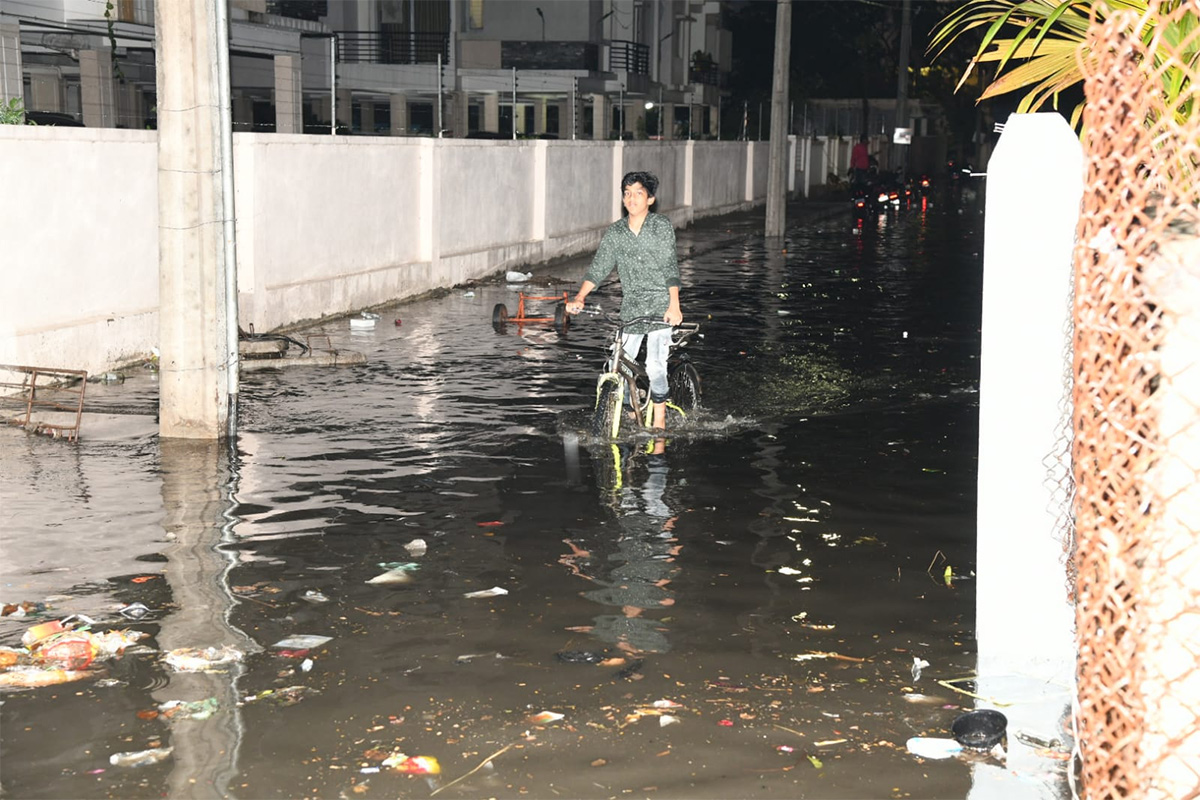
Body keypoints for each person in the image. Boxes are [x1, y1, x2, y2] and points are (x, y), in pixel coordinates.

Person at [566, 171, 682, 430]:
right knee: (616, 364)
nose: (631, 198)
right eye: (627, 193)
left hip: (661, 305)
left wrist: (674, 305)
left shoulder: (660, 226)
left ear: (650, 199)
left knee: (654, 365)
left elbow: (670, 267)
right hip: (631, 308)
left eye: (638, 193)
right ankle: (630, 406)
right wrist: (580, 297)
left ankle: (660, 414)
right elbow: (599, 268)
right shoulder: (616, 232)